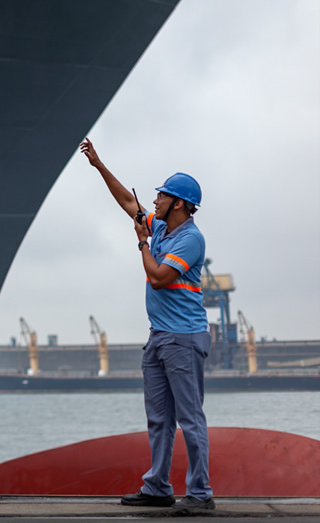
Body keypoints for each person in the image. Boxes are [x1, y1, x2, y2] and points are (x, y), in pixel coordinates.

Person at [80, 137, 214, 512]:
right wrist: (99, 166)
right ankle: (157, 487)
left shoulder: (190, 240)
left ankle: (201, 494)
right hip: (159, 338)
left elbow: (158, 277)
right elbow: (128, 203)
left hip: (183, 340)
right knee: (159, 418)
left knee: (189, 418)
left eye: (161, 195)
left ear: (180, 205)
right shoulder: (162, 227)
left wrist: (141, 243)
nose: (154, 200)